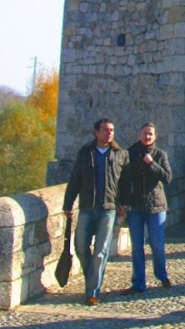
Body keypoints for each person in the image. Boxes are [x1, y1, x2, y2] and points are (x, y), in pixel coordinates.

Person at [62, 117, 130, 306]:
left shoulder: (120, 154)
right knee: (81, 247)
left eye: (112, 130)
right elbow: (75, 179)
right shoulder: (85, 153)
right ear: (96, 132)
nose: (109, 133)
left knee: (101, 251)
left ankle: (92, 292)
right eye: (106, 130)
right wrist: (68, 204)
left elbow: (125, 182)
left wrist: (124, 203)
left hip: (108, 209)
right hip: (87, 207)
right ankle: (91, 278)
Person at [124, 122, 173, 294]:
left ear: (155, 137)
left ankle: (162, 275)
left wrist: (152, 164)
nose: (147, 136)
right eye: (145, 133)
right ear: (140, 135)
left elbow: (167, 178)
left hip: (156, 205)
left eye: (150, 134)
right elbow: (125, 179)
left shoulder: (160, 154)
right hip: (136, 205)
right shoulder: (130, 153)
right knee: (137, 247)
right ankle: (139, 282)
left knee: (157, 244)